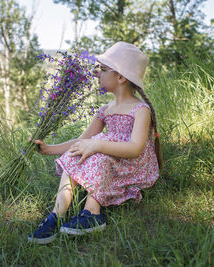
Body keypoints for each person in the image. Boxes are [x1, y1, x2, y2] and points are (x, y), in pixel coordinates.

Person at [28, 41, 163, 244]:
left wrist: (97, 146)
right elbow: (82, 141)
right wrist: (49, 149)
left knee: (99, 153)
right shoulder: (105, 110)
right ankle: (57, 215)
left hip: (132, 165)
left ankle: (92, 213)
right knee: (78, 151)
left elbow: (135, 149)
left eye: (102, 69)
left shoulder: (140, 110)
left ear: (120, 77)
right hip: (111, 156)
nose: (96, 73)